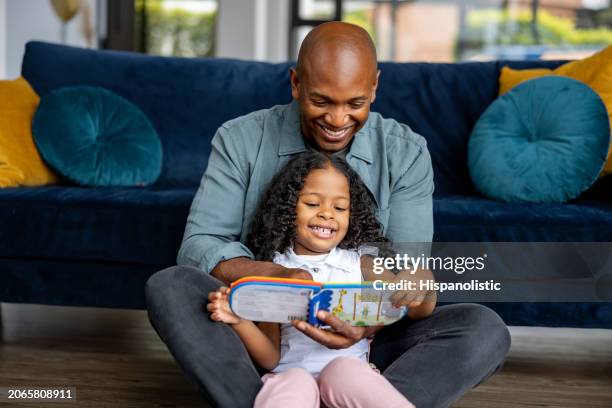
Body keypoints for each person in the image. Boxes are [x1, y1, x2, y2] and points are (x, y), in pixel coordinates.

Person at [146, 21, 511, 408]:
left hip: (364, 350)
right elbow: (200, 247)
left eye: (355, 104)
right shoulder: (240, 139)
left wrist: (364, 323)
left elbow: (405, 271)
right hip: (262, 340)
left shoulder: (406, 152)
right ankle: (271, 396)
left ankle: (354, 395)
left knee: (483, 329)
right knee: (171, 287)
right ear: (296, 84)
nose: (337, 120)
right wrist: (281, 278)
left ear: (374, 88)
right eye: (321, 101)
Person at [208, 151, 418, 408]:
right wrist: (239, 319)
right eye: (312, 204)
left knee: (346, 371)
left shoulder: (361, 265)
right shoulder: (275, 269)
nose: (327, 214)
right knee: (294, 381)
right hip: (291, 375)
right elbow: (270, 357)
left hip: (349, 377)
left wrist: (413, 283)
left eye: (339, 207)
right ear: (288, 207)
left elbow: (401, 300)